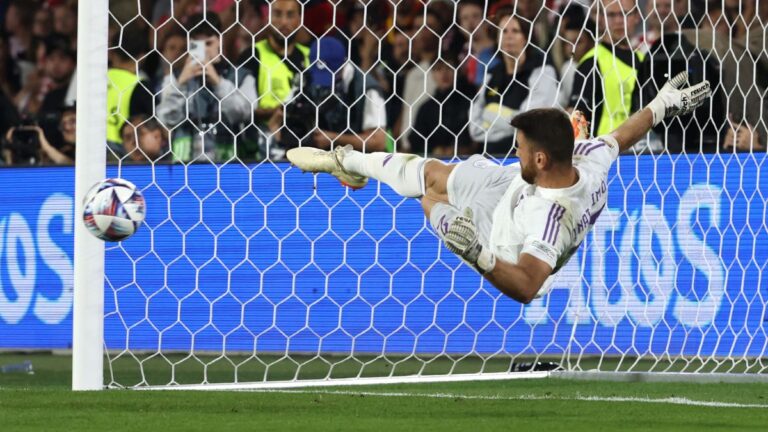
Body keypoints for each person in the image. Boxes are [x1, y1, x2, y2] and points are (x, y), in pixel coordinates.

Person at [286, 72, 710, 304]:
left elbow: (527, 287)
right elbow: (622, 135)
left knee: (428, 198)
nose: (516, 150)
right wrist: (663, 105)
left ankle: (359, 168)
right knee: (432, 172)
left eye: (521, 148)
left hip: (501, 241)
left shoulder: (550, 221)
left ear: (541, 159)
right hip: (512, 187)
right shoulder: (588, 159)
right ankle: (348, 161)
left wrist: (481, 255)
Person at [156, 13, 248, 162]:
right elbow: (165, 119)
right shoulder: (174, 78)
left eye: (208, 44)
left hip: (230, 164)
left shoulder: (240, 76)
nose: (204, 51)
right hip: (184, 165)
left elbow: (242, 114)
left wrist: (217, 82)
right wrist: (181, 83)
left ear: (220, 41)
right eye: (197, 45)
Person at [469, 8, 559, 156]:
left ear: (525, 37)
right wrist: (512, 123)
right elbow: (475, 129)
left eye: (515, 31)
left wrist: (490, 111)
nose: (508, 36)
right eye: (503, 31)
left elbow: (530, 123)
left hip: (526, 158)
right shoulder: (491, 75)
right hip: (491, 158)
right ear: (497, 38)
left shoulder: (542, 70)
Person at [234, 0, 309, 160]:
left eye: (290, 15)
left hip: (304, 146)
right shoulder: (253, 56)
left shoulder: (310, 56)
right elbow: (239, 108)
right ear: (268, 17)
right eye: (277, 14)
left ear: (300, 19)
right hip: (261, 148)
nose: (283, 22)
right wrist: (276, 111)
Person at [568, 0, 644, 139]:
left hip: (643, 149)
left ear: (637, 16)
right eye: (611, 14)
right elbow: (577, 114)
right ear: (601, 18)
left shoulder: (643, 60)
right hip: (606, 151)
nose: (618, 21)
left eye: (625, 13)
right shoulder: (591, 62)